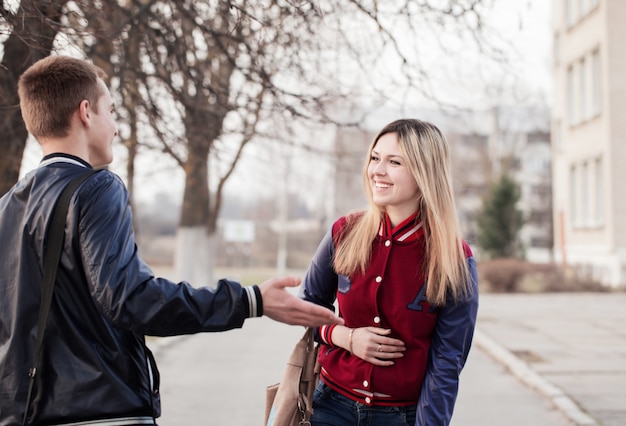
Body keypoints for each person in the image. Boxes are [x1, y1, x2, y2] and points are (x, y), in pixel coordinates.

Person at [0, 55, 343, 426]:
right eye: (111, 111)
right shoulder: (98, 187)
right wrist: (250, 300)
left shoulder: (8, 206)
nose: (115, 127)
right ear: (86, 112)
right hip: (97, 412)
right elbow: (131, 300)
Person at [299, 118, 479, 425]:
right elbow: (306, 309)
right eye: (374, 158)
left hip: (401, 416)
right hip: (329, 406)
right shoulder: (344, 232)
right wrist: (346, 337)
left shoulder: (454, 258)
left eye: (394, 162)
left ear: (425, 173)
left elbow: (447, 361)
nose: (377, 171)